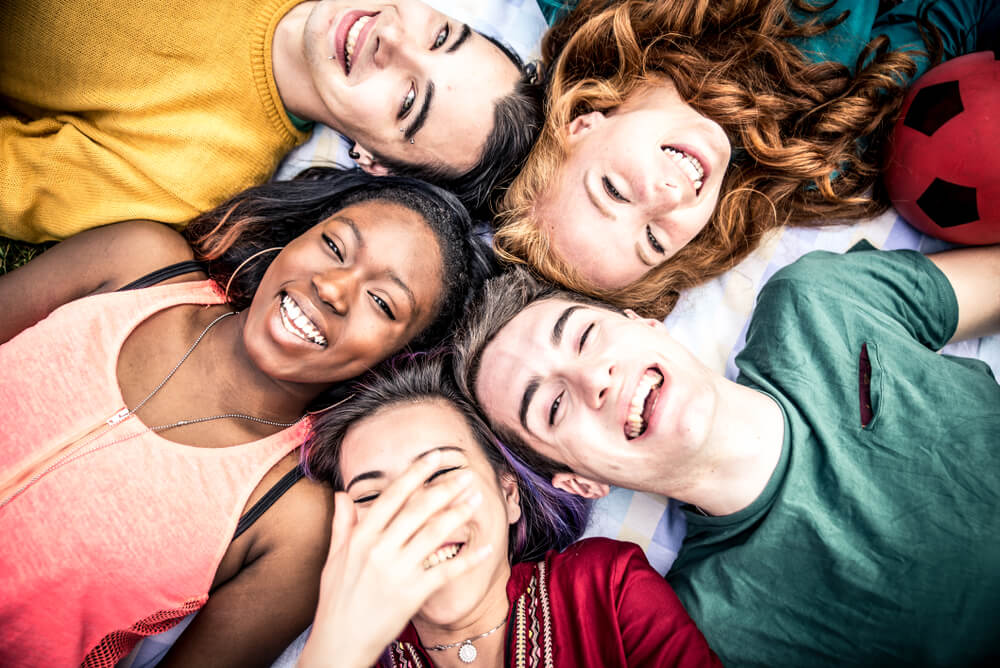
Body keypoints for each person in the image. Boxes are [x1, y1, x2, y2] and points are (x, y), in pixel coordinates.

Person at [0, 169, 487, 667]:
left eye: (382, 303)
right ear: (297, 235)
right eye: (335, 247)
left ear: (394, 359)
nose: (334, 288)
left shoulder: (293, 522)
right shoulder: (137, 262)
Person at [451, 242, 1000, 665]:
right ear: (579, 483)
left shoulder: (818, 298)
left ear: (644, 323)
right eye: (552, 406)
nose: (594, 377)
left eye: (585, 336)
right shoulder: (720, 630)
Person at [492, 0, 996, 318]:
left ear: (582, 125)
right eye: (653, 240)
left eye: (613, 190)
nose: (666, 199)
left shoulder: (593, 13)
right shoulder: (823, 152)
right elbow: (949, 17)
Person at [297, 354, 721, 667]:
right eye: (372, 497)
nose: (416, 514)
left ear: (509, 493)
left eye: (441, 470)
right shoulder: (341, 653)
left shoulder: (605, 588)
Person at [0, 0, 541, 243]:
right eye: (441, 37)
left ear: (373, 160)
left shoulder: (189, 177)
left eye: (406, 103)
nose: (392, 40)